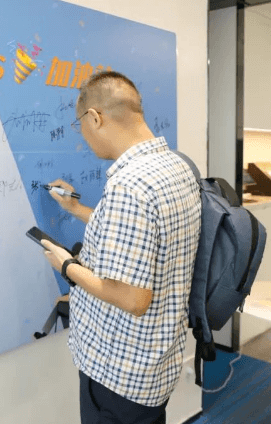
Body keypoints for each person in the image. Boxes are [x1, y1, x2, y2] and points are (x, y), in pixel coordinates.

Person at [41, 71, 201, 424]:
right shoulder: (176, 166)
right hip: (153, 363)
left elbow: (133, 300)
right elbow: (142, 233)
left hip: (119, 373)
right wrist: (77, 209)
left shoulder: (128, 186)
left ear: (95, 118)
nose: (83, 137)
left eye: (80, 125)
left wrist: (67, 266)